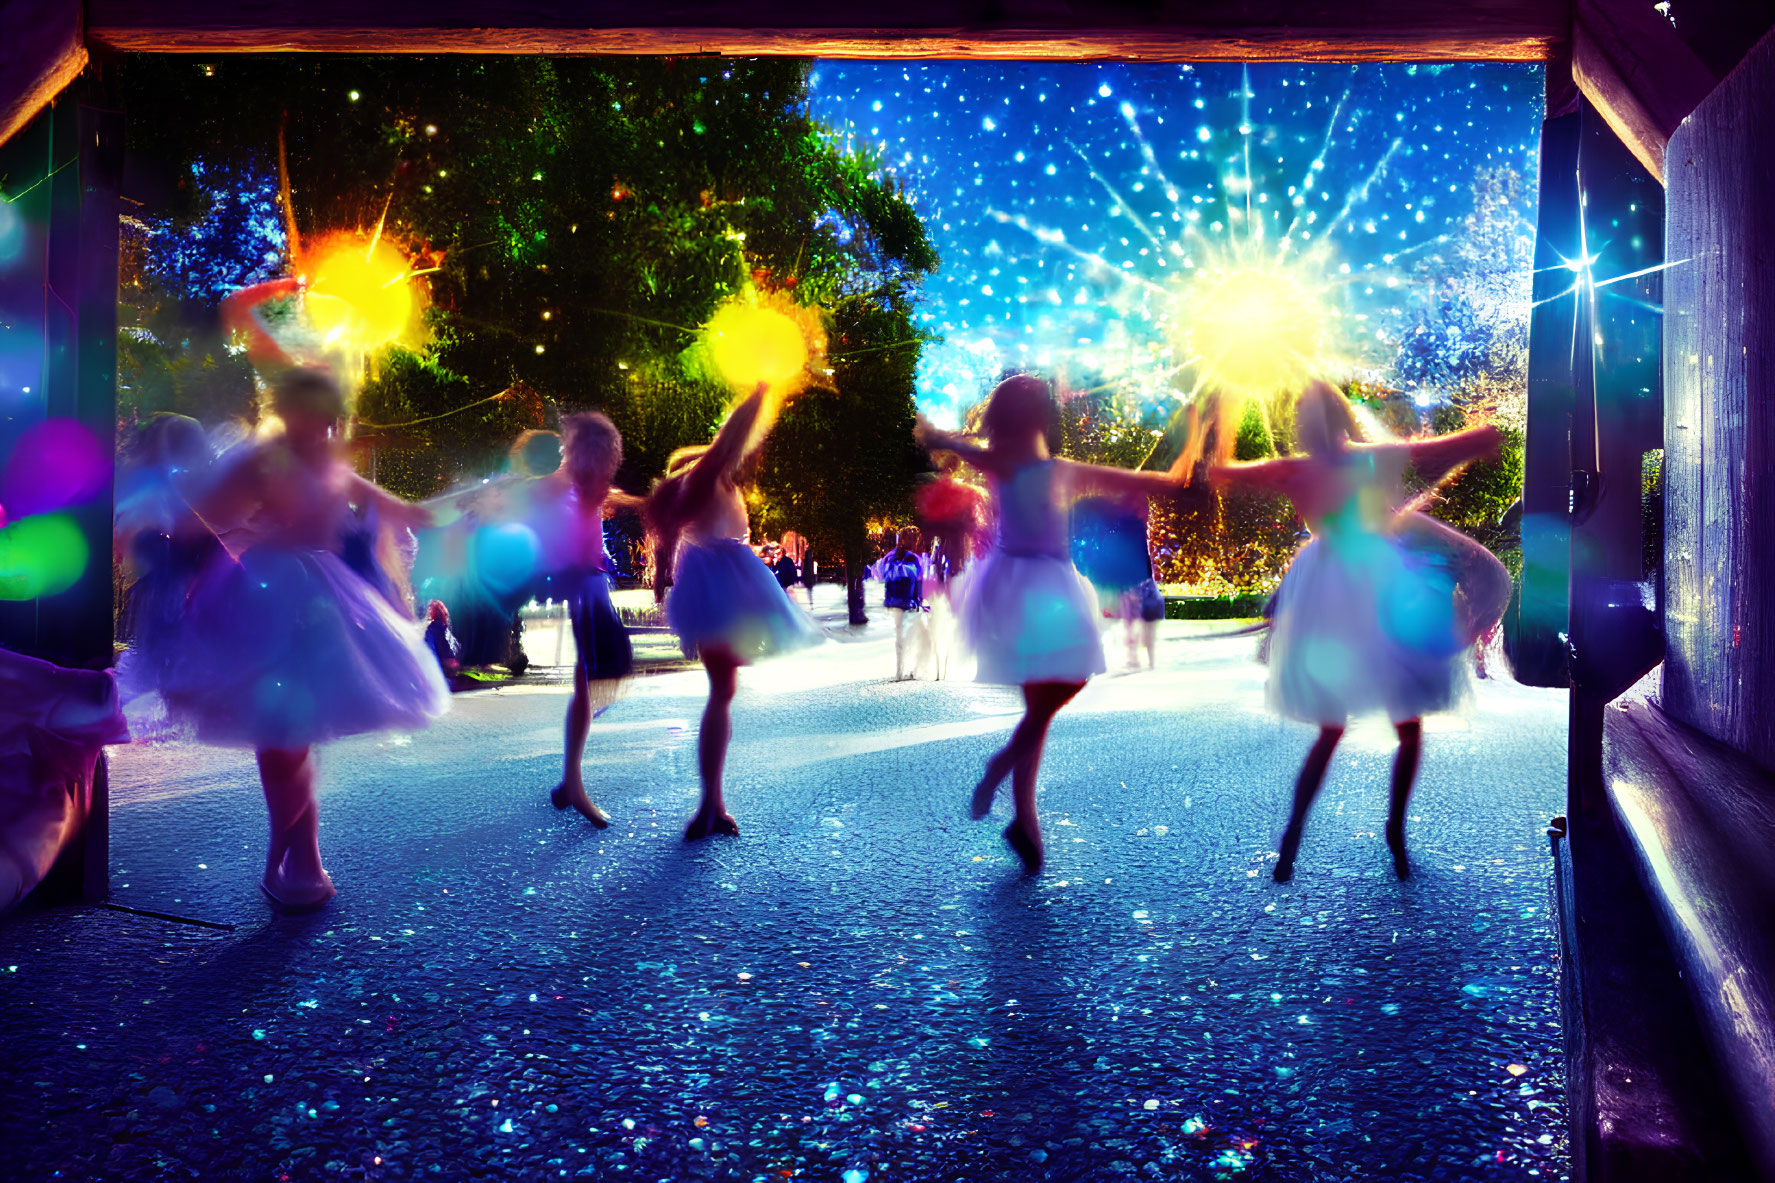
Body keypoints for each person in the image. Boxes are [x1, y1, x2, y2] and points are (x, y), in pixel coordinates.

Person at [132, 368, 448, 912]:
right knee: (284, 730)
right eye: (307, 410)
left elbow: (403, 511)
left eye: (325, 414)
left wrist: (480, 499)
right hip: (269, 595)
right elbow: (195, 517)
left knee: (295, 727)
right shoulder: (263, 459)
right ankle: (297, 858)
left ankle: (296, 857)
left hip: (319, 601)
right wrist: (236, 546)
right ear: (288, 409)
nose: (320, 423)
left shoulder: (330, 461)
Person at [1203, 380, 1503, 882]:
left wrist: (1221, 416)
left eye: (1306, 416)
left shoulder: (1315, 466)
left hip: (1340, 584)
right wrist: (1480, 436)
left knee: (1352, 725)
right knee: (1392, 722)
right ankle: (1374, 830)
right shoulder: (1361, 460)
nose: (1304, 425)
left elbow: (1219, 473)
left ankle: (1311, 834)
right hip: (1370, 581)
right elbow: (1445, 453)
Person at [916, 375, 1186, 872]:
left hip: (1025, 579)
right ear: (1039, 418)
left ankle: (1024, 820)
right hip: (1036, 583)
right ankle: (1004, 778)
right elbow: (1130, 481)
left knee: (1040, 704)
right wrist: (1174, 474)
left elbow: (952, 442)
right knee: (1056, 691)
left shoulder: (1019, 463)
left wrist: (932, 433)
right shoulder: (1041, 466)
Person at [647, 383, 821, 840]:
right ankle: (709, 804)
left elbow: (673, 546)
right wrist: (762, 388)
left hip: (718, 585)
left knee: (722, 693)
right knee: (721, 694)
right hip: (719, 586)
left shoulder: (716, 484)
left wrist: (663, 576)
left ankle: (712, 802)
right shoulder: (707, 476)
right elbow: (732, 435)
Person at [521, 412, 638, 827]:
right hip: (580, 584)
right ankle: (573, 782)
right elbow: (534, 499)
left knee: (598, 679)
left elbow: (609, 498)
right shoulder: (562, 482)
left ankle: (570, 780)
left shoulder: (586, 484)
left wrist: (638, 502)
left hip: (591, 582)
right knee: (604, 674)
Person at [869, 526, 932, 681]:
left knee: (900, 636)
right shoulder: (914, 559)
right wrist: (920, 600)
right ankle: (908, 669)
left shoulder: (890, 557)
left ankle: (900, 671)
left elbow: (879, 574)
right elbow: (919, 581)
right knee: (912, 634)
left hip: (894, 601)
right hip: (908, 602)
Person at [423, 600, 461, 678]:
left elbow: (430, 649)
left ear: (432, 612)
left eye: (430, 609)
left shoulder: (432, 628)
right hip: (454, 665)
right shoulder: (446, 627)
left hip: (443, 667)